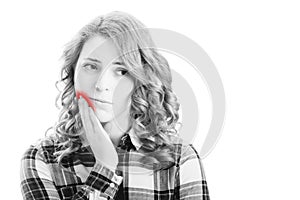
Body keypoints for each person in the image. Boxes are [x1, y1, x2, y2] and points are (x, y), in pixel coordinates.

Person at [20, 11, 210, 200]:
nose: (101, 85)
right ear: (73, 73)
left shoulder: (179, 158)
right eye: (91, 66)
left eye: (121, 71)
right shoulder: (42, 158)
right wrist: (104, 167)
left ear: (140, 79)